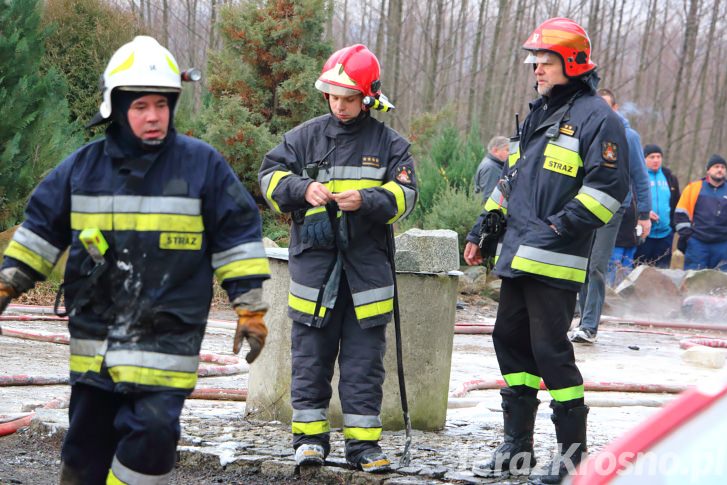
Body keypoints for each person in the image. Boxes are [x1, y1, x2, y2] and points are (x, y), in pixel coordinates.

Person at [0, 36, 271, 484]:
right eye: (141, 105)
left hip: (167, 340)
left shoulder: (202, 168)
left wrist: (251, 308)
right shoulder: (81, 169)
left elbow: (238, 238)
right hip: (97, 341)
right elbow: (41, 230)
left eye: (162, 105)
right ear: (116, 107)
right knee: (85, 449)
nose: (152, 116)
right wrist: (9, 282)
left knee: (153, 436)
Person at [463, 18, 628, 484]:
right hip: (516, 254)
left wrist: (560, 226)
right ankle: (517, 447)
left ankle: (573, 457)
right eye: (534, 60)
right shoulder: (538, 113)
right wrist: (485, 224)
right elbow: (511, 180)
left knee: (551, 352)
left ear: (572, 63)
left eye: (546, 60)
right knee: (509, 343)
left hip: (555, 258)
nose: (536, 68)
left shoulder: (599, 117)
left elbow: (608, 188)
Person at [258, 44, 417, 473]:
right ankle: (309, 439)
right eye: (333, 97)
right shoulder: (303, 137)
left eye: (349, 98)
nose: (340, 106)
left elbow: (407, 196)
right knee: (310, 357)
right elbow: (269, 178)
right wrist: (299, 189)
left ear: (368, 97)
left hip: (366, 274)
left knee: (364, 364)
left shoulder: (390, 145)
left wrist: (366, 200)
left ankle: (363, 447)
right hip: (316, 272)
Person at [569, 88, 651, 344]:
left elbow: (640, 177)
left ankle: (589, 326)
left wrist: (644, 214)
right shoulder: (587, 131)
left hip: (612, 209)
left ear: (615, 109)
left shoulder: (629, 136)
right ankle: (581, 317)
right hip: (584, 206)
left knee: (596, 266)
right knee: (580, 264)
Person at [674, 155, 727, 270]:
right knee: (693, 282)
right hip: (697, 244)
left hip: (724, 245)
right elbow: (681, 214)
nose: (720, 169)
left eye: (723, 167)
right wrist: (688, 237)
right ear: (708, 170)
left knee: (722, 284)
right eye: (716, 166)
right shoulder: (693, 188)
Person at [633, 144, 680, 267]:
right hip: (643, 233)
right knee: (639, 270)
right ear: (644, 159)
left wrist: (673, 227)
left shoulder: (670, 177)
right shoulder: (637, 176)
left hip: (666, 234)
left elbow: (676, 203)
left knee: (662, 273)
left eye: (659, 157)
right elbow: (631, 201)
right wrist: (643, 213)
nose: (656, 160)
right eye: (652, 157)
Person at [474, 136, 509, 202]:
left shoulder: (494, 165)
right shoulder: (491, 168)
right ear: (495, 150)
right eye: (507, 150)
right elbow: (489, 198)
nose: (509, 153)